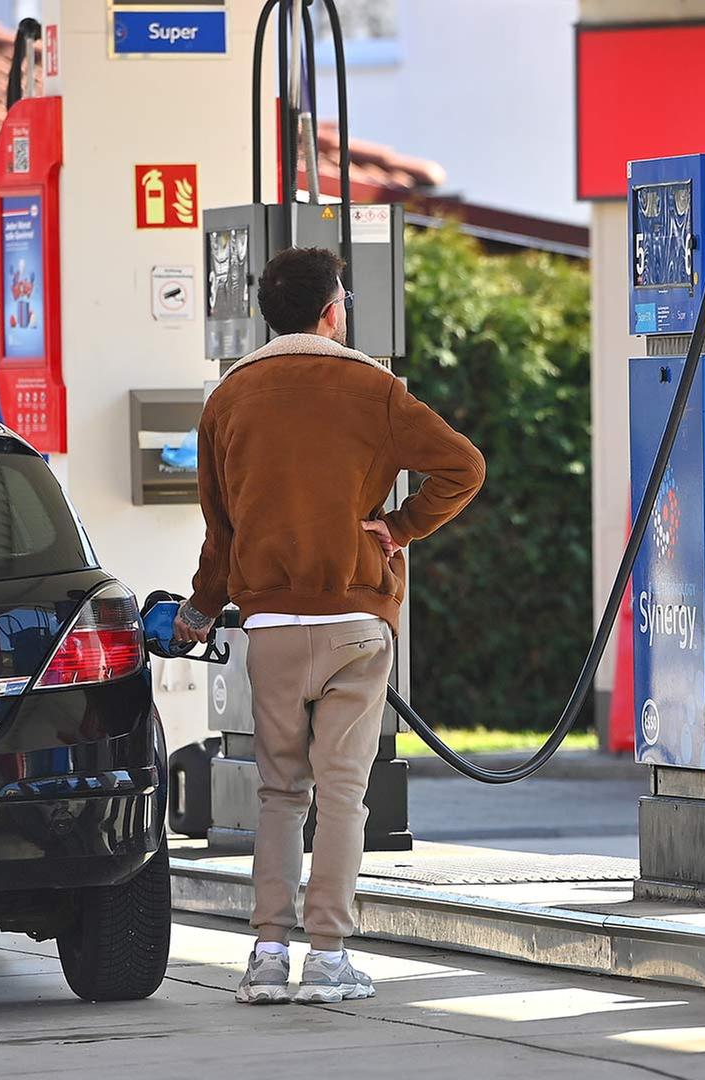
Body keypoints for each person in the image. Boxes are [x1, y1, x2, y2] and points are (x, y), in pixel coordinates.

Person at [174, 247, 485, 1005]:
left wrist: (197, 613)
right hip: (356, 619)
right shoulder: (374, 389)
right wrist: (400, 528)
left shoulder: (229, 398)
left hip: (272, 624)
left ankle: (268, 955)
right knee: (344, 796)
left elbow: (221, 531)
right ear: (332, 310)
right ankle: (328, 958)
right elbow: (464, 466)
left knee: (280, 793)